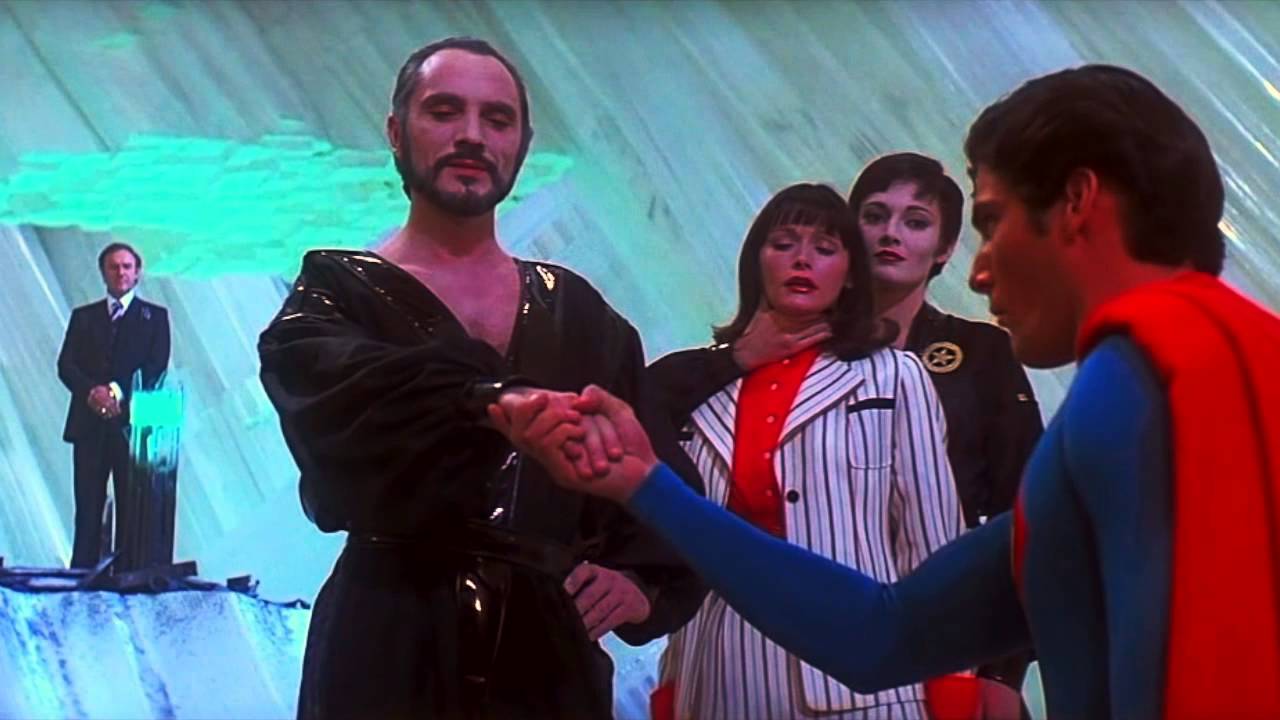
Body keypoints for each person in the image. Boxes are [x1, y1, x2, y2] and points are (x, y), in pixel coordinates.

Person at [514, 65, 1280, 719]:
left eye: (990, 222)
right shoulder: (1144, 388)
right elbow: (884, 635)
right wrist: (646, 484)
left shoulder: (1177, 363)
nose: (978, 271)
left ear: (1078, 202)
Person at [257, 37, 705, 720]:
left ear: (522, 145)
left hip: (547, 657)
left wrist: (643, 584)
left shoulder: (578, 313)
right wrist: (487, 401)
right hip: (388, 641)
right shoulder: (335, 295)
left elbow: (657, 476)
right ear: (397, 131)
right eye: (444, 111)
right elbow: (341, 401)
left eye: (497, 119)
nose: (472, 135)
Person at [642, 183, 962, 719]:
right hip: (721, 678)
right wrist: (673, 686)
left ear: (851, 272)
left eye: (825, 247)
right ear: (756, 262)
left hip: (862, 678)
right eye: (784, 243)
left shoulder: (894, 375)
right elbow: (682, 546)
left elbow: (932, 541)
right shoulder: (703, 384)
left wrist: (951, 684)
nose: (802, 260)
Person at [57, 242, 171, 570]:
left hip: (132, 427)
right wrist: (91, 392)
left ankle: (129, 570)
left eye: (126, 267)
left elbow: (156, 367)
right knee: (87, 505)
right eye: (113, 267)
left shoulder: (156, 318)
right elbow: (66, 365)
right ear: (103, 273)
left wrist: (116, 392)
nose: (120, 272)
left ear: (137, 273)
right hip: (88, 424)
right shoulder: (83, 317)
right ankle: (82, 570)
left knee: (132, 505)